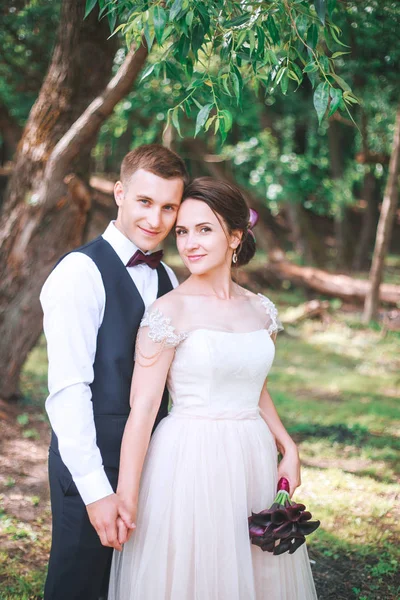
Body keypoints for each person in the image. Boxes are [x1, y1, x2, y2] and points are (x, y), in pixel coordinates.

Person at [108, 177, 318, 599]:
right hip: (188, 458)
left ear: (236, 236)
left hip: (251, 455)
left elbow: (252, 385)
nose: (190, 243)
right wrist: (125, 498)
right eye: (182, 231)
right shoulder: (168, 312)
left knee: (251, 573)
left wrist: (288, 446)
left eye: (204, 229)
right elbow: (144, 408)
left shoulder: (261, 309)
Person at [40, 144, 188, 600]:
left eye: (169, 207)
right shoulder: (79, 273)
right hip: (92, 464)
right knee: (78, 587)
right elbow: (68, 391)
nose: (156, 219)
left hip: (152, 467)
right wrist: (95, 491)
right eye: (145, 201)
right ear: (120, 193)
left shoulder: (172, 281)